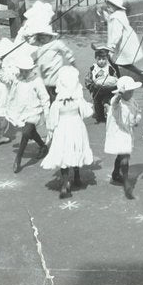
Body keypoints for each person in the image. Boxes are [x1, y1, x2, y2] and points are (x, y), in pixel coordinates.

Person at [41, 66, 95, 199]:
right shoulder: (78, 100)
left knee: (64, 152)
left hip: (62, 128)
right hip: (77, 127)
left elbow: (52, 121)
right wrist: (90, 106)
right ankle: (77, 176)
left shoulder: (57, 103)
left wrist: (51, 131)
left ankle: (66, 183)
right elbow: (87, 113)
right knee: (76, 148)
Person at [6, 45, 51, 173]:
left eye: (27, 71)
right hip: (21, 111)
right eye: (22, 70)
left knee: (26, 132)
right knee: (30, 132)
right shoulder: (17, 78)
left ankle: (18, 158)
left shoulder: (36, 81)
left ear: (31, 70)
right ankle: (43, 146)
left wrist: (47, 113)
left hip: (34, 111)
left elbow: (45, 98)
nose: (24, 73)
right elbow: (6, 80)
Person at [105, 77, 143, 198]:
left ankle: (116, 173)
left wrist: (136, 119)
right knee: (125, 155)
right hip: (117, 131)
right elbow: (114, 103)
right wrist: (119, 95)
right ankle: (126, 182)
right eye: (128, 91)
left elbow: (138, 111)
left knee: (122, 154)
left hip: (126, 131)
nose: (131, 93)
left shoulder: (132, 101)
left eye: (132, 91)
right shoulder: (118, 102)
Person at [99, 0, 143, 82]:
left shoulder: (116, 18)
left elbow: (117, 34)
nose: (108, 9)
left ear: (116, 7)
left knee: (119, 61)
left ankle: (132, 75)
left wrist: (112, 46)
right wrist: (102, 12)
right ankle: (121, 76)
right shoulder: (118, 14)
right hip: (124, 41)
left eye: (110, 7)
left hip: (121, 43)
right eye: (107, 7)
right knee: (117, 61)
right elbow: (108, 18)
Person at [84, 44, 120, 123]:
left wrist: (115, 85)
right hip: (97, 90)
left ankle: (108, 115)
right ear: (95, 58)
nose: (101, 61)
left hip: (108, 90)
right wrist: (91, 86)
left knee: (107, 101)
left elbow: (115, 78)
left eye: (103, 59)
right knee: (97, 102)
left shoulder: (110, 68)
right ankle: (99, 117)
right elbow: (88, 78)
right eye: (99, 59)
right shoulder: (93, 68)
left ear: (107, 58)